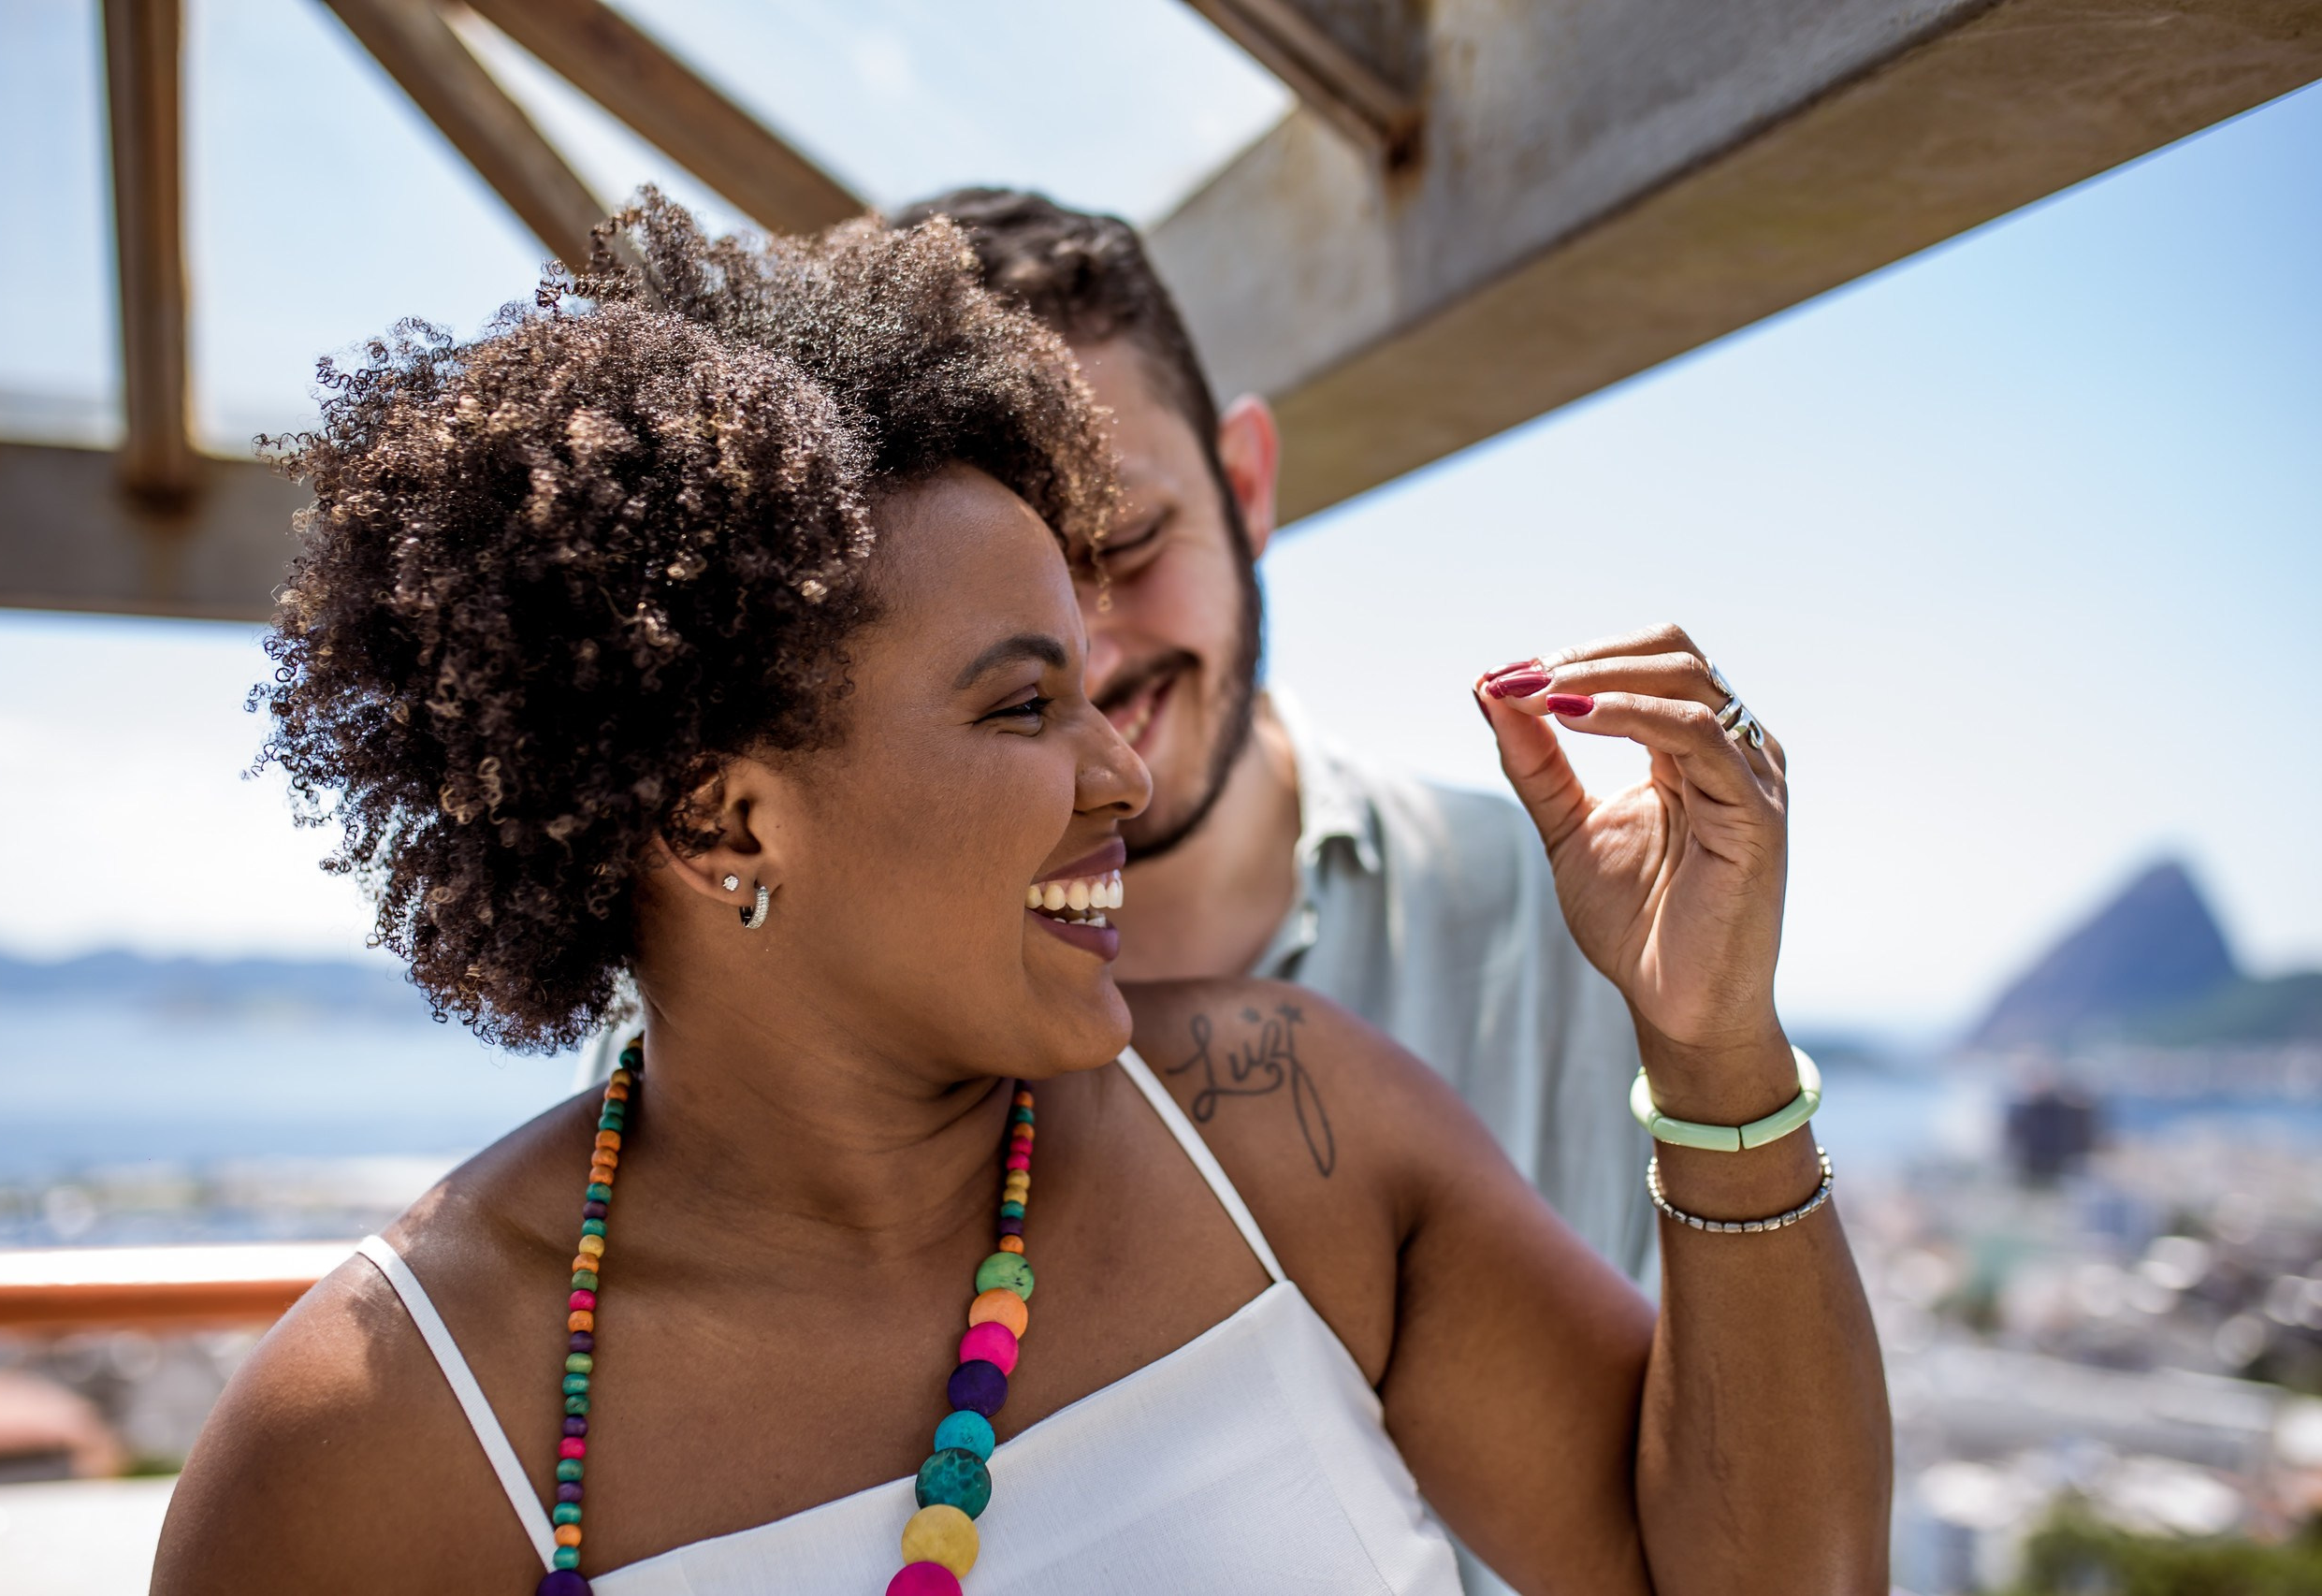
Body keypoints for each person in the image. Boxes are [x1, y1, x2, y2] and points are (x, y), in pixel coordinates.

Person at [152, 197, 1889, 1596]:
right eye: (1020, 705)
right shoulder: (363, 1455)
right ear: (721, 821)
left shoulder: (1296, 1132)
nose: (1121, 773)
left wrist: (1715, 1044)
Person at [881, 191, 1656, 1291]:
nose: (1089, 667)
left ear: (1245, 483)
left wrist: (1727, 1067)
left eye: (1130, 544)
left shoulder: (1560, 915)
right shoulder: (789, 984)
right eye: (995, 622)